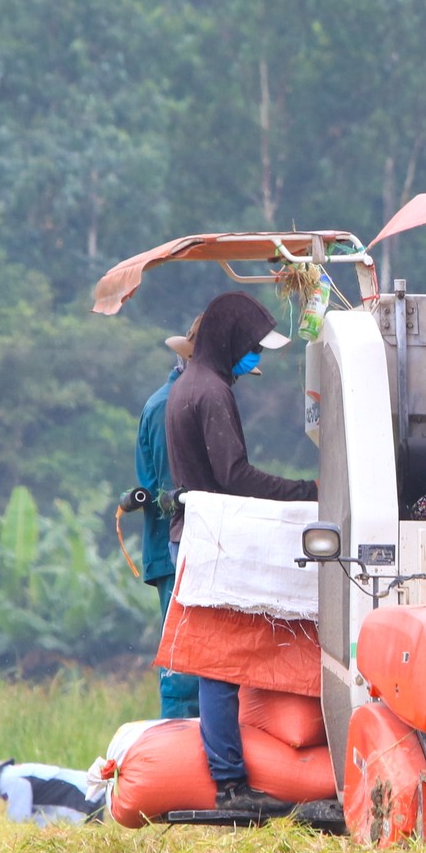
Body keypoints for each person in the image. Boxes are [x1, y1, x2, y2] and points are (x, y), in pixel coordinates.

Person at [165, 291, 316, 815]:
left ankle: (230, 777)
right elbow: (235, 477)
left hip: (197, 532)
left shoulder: (186, 385)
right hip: (212, 537)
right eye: (252, 347)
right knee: (221, 667)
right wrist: (306, 491)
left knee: (217, 667)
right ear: (230, 340)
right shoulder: (211, 393)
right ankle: (230, 784)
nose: (256, 358)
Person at [137, 327, 199, 719]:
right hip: (172, 549)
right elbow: (167, 489)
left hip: (188, 548)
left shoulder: (187, 402)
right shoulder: (166, 408)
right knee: (183, 663)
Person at [0, 755, 105, 826]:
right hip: (90, 793)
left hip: (84, 796)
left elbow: (19, 821)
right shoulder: (12, 775)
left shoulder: (9, 780)